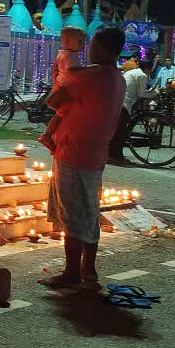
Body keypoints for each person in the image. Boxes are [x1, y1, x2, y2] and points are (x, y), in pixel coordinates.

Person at [40, 26, 126, 290]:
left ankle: (71, 272)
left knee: (72, 216)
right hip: (95, 154)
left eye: (91, 43)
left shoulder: (87, 76)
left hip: (73, 152)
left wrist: (61, 80)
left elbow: (53, 101)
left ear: (99, 48)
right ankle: (89, 270)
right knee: (89, 213)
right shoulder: (117, 78)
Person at [38, 25, 86, 152]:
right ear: (67, 41)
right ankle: (47, 136)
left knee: (60, 115)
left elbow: (55, 71)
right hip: (67, 92)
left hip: (61, 89)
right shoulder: (71, 56)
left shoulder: (62, 54)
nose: (83, 44)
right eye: (80, 41)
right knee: (61, 115)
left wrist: (57, 83)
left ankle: (50, 136)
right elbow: (74, 73)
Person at [108, 58, 156, 164]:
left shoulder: (132, 72)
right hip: (124, 103)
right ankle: (115, 156)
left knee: (116, 131)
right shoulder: (142, 75)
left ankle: (114, 155)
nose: (151, 71)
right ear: (147, 68)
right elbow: (141, 94)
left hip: (117, 101)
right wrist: (155, 93)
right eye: (151, 69)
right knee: (120, 132)